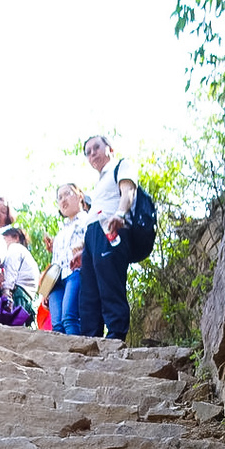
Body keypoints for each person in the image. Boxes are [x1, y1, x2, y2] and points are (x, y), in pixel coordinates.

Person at [79, 134, 137, 340]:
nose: (92, 153)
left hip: (111, 228)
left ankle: (115, 336)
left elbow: (128, 190)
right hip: (92, 235)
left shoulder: (121, 166)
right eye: (88, 152)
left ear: (109, 149)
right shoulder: (99, 183)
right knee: (89, 291)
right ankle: (90, 338)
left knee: (110, 283)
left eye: (96, 148)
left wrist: (120, 214)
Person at [44, 183, 88, 335]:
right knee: (57, 325)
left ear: (80, 196)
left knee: (69, 317)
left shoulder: (87, 220)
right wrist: (46, 290)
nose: (63, 200)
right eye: (59, 197)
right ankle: (61, 359)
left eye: (67, 194)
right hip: (56, 280)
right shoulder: (61, 231)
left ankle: (77, 357)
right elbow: (55, 261)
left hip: (75, 273)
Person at [0, 227, 40, 324]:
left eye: (4, 239)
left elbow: (11, 270)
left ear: (16, 237)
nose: (2, 243)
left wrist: (6, 290)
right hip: (27, 298)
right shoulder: (28, 256)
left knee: (9, 330)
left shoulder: (15, 248)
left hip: (16, 294)